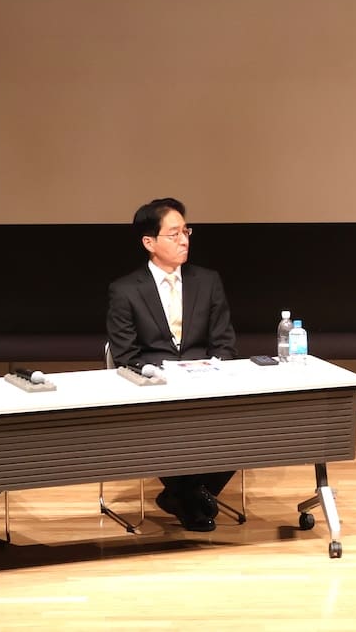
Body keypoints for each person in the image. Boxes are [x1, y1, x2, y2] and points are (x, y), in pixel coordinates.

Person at [107, 198, 238, 532]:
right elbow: (125, 356)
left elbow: (224, 342)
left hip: (204, 382)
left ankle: (181, 494)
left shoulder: (208, 281)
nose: (184, 240)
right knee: (167, 421)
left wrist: (216, 371)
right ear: (149, 242)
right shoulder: (124, 290)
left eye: (186, 232)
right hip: (155, 388)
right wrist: (161, 378)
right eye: (174, 234)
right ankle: (190, 498)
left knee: (242, 423)